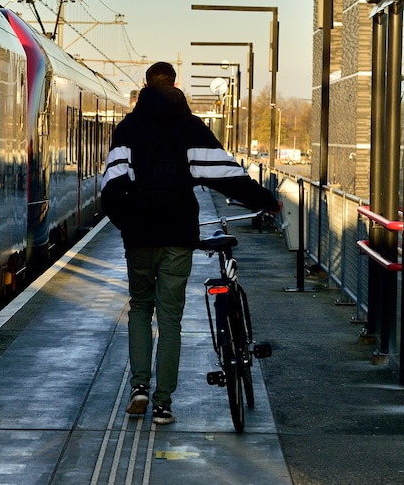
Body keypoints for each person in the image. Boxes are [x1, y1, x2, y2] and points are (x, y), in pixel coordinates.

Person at [100, 61, 280, 425]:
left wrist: (129, 223)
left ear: (146, 85)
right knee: (170, 320)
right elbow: (226, 175)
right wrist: (267, 201)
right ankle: (163, 404)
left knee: (139, 308)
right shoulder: (189, 127)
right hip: (178, 238)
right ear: (176, 83)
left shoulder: (128, 128)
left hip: (139, 239)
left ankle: (139, 387)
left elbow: (110, 188)